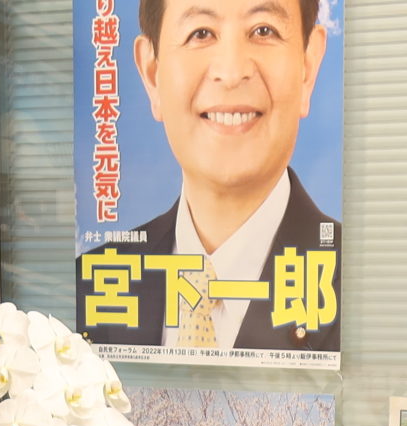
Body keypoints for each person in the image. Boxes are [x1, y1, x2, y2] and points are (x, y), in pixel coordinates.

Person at [80, 0, 339, 355]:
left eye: (263, 30)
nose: (231, 73)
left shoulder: (365, 289)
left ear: (307, 67)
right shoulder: (89, 287)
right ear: (152, 74)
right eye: (200, 33)